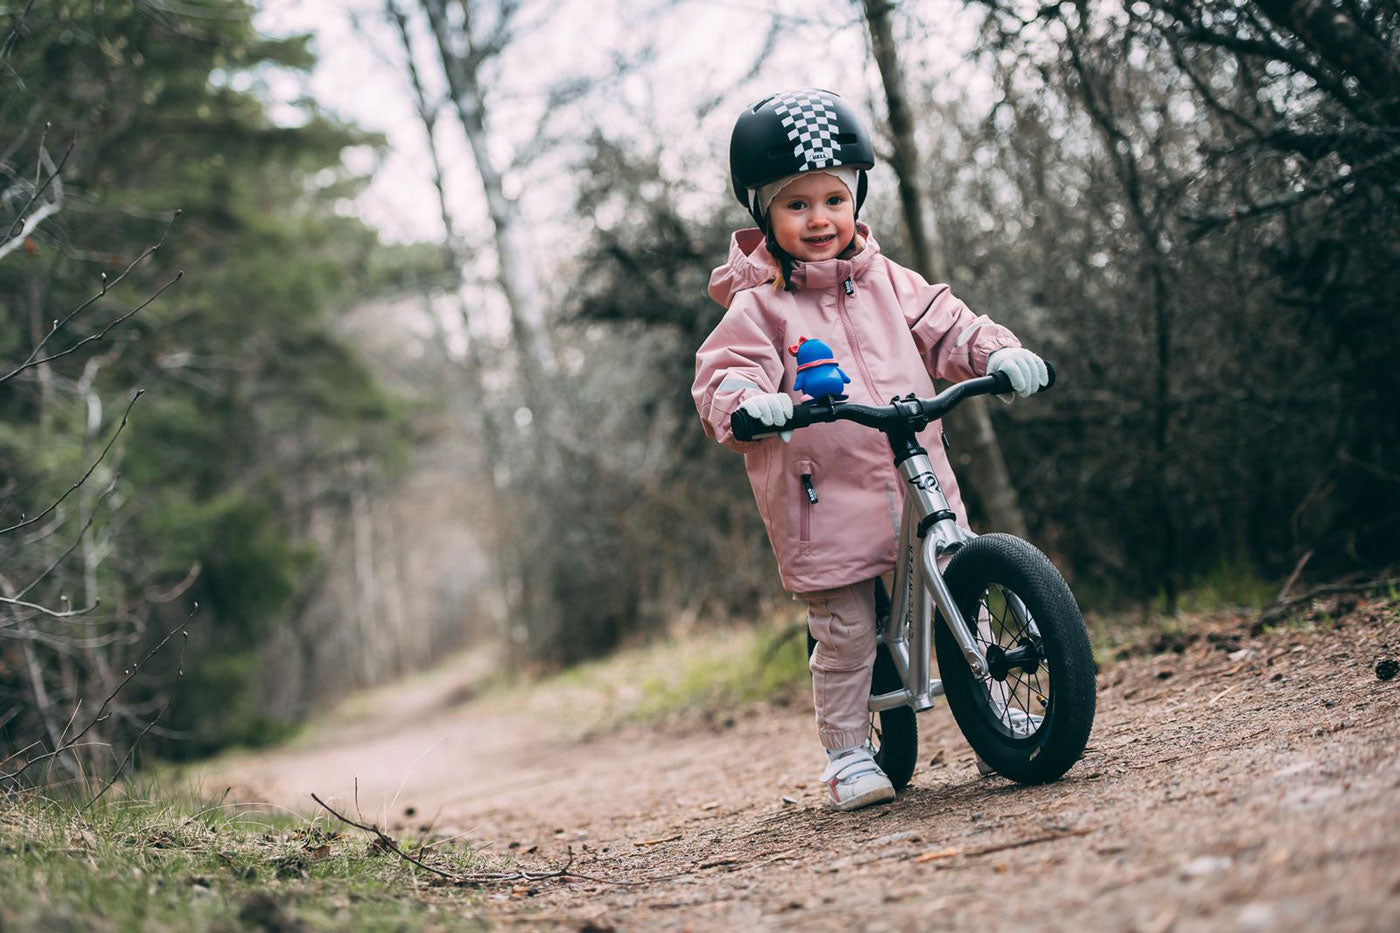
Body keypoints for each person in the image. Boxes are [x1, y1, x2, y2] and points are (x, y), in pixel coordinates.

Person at [691, 89, 1048, 811]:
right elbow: (723, 373)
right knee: (848, 630)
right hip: (822, 500)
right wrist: (749, 405)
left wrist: (999, 352)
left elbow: (947, 324)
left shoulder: (888, 282)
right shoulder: (760, 307)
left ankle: (999, 709)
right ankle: (849, 751)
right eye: (796, 205)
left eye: (833, 197)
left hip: (919, 478)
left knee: (965, 592)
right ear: (764, 213)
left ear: (856, 196)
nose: (819, 218)